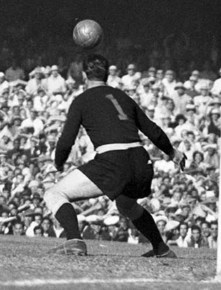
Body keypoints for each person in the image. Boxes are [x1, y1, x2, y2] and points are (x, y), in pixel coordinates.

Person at [42, 53, 187, 257]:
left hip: (113, 161)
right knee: (126, 204)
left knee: (54, 193)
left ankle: (74, 240)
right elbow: (151, 129)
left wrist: (57, 164)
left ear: (84, 75)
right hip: (141, 162)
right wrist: (172, 152)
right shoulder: (122, 97)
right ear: (106, 75)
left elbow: (67, 140)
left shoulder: (81, 100)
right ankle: (161, 249)